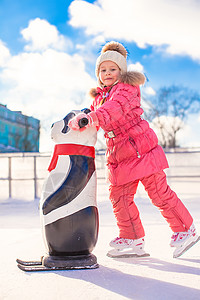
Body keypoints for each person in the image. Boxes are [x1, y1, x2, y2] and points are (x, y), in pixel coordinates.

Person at [68, 41, 199, 258]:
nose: (108, 73)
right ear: (98, 73)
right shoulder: (100, 97)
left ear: (121, 71)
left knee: (158, 192)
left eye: (113, 69)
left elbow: (113, 110)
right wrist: (78, 122)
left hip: (140, 149)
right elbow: (94, 120)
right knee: (118, 196)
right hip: (118, 154)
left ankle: (186, 230)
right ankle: (132, 237)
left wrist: (90, 118)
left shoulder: (125, 89)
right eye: (103, 70)